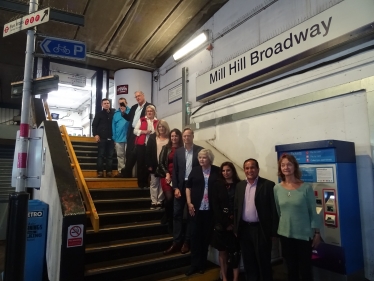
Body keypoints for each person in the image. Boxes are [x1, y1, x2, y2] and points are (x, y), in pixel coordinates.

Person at [274, 154, 321, 281]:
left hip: (303, 235)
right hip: (285, 235)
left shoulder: (306, 188)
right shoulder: (277, 188)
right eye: (283, 165)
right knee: (291, 269)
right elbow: (279, 212)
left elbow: (313, 211)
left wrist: (317, 232)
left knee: (305, 270)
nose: (286, 167)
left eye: (289, 164)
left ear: (295, 167)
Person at [234, 158, 279, 281]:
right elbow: (236, 208)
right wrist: (236, 228)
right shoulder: (240, 186)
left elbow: (274, 210)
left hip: (261, 230)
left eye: (252, 167)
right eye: (247, 168)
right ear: (244, 170)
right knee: (249, 261)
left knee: (263, 261)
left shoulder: (268, 185)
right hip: (244, 229)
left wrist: (273, 232)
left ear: (258, 169)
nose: (250, 170)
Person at [185, 149, 228, 276]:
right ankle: (194, 265)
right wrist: (189, 202)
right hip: (195, 210)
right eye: (200, 157)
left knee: (205, 238)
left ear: (210, 158)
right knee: (194, 237)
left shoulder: (216, 171)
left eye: (204, 157)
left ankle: (202, 265)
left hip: (210, 211)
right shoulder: (195, 170)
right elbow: (188, 187)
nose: (201, 160)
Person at [163, 128, 203, 255]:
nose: (186, 138)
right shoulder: (178, 152)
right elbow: (174, 171)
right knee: (177, 214)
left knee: (191, 215)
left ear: (192, 136)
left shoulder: (199, 150)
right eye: (184, 136)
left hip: (193, 187)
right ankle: (176, 241)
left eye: (188, 135)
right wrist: (175, 188)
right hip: (180, 186)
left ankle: (187, 241)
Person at [211, 162, 241, 281]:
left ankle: (235, 278)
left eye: (228, 170)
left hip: (236, 224)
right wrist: (226, 224)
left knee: (235, 253)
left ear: (233, 171)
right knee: (222, 252)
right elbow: (215, 206)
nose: (225, 173)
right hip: (221, 225)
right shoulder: (217, 185)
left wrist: (234, 224)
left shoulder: (240, 184)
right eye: (223, 171)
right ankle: (224, 277)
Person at [116, 91, 151, 178]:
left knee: (141, 155)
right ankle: (127, 174)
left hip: (142, 133)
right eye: (136, 97)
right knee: (129, 154)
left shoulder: (149, 106)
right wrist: (123, 113)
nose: (138, 98)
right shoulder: (134, 107)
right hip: (132, 133)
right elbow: (129, 118)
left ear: (143, 95)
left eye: (139, 96)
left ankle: (141, 177)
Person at [158, 128, 183, 228]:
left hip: (178, 177)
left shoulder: (183, 149)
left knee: (176, 200)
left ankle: (170, 218)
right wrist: (167, 173)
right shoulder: (165, 148)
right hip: (166, 176)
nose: (174, 138)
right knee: (169, 198)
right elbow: (161, 163)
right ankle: (168, 217)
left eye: (176, 136)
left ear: (179, 137)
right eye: (172, 136)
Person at [146, 120, 170, 209]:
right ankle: (153, 201)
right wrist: (149, 164)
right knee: (154, 183)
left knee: (162, 183)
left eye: (163, 127)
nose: (161, 128)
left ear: (166, 127)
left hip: (164, 165)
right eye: (159, 127)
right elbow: (148, 152)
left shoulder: (169, 138)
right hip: (154, 163)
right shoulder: (153, 137)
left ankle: (160, 201)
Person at [133, 105, 158, 189]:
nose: (149, 112)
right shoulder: (142, 120)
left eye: (151, 111)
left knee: (149, 164)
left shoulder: (157, 121)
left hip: (152, 146)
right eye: (148, 111)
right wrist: (143, 131)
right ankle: (141, 183)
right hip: (142, 144)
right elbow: (135, 130)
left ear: (154, 112)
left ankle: (147, 182)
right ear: (146, 112)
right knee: (141, 163)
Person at [92, 98, 115, 178]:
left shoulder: (114, 113)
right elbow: (94, 125)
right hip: (101, 138)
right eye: (104, 103)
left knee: (110, 156)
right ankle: (100, 172)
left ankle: (109, 172)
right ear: (102, 105)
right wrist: (95, 135)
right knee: (101, 155)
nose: (106, 104)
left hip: (112, 138)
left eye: (108, 103)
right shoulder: (99, 114)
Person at [112, 97, 130, 173]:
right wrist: (114, 138)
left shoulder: (131, 111)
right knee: (120, 156)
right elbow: (113, 126)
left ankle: (128, 171)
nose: (121, 105)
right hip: (118, 138)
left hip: (128, 138)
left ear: (126, 103)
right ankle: (121, 171)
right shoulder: (116, 114)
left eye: (123, 103)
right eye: (120, 103)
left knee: (128, 156)